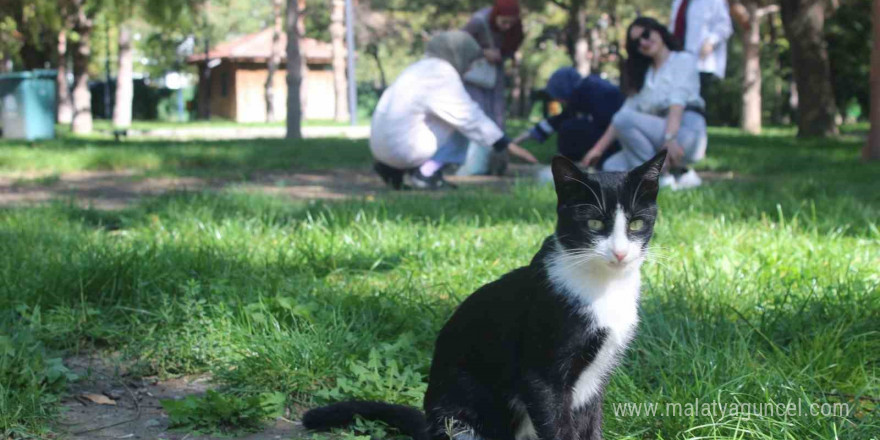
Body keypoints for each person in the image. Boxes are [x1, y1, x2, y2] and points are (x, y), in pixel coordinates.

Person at [369, 31, 538, 190]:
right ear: (458, 54)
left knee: (441, 116)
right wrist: (504, 144)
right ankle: (426, 172)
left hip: (382, 150)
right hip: (402, 150)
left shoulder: (419, 68)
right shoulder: (441, 74)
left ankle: (393, 170)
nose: (470, 68)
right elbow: (469, 117)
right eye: (470, 61)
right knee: (460, 122)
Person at [581, 17, 707, 189]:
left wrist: (670, 139)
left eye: (646, 34)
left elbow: (677, 103)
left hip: (684, 133)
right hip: (658, 136)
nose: (644, 42)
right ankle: (681, 175)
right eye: (637, 43)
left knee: (625, 120)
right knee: (611, 167)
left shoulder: (682, 60)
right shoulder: (644, 75)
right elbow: (622, 116)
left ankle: (657, 179)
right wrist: (597, 150)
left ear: (659, 31)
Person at [458, 0, 525, 175]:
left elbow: (512, 48)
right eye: (504, 22)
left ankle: (496, 166)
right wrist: (483, 52)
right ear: (496, 15)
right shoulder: (479, 21)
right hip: (475, 77)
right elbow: (459, 43)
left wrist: (502, 54)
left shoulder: (516, 27)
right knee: (478, 118)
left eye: (511, 23)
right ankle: (472, 167)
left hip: (495, 78)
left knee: (497, 120)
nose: (507, 26)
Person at [512, 67, 625, 169]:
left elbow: (609, 124)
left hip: (617, 140)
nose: (557, 100)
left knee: (569, 128)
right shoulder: (581, 92)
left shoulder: (595, 92)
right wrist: (515, 141)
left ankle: (572, 164)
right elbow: (556, 121)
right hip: (611, 135)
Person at [669, 0, 733, 124]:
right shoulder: (678, 2)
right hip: (677, 60)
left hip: (701, 63)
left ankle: (698, 134)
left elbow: (725, 26)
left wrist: (711, 42)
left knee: (697, 103)